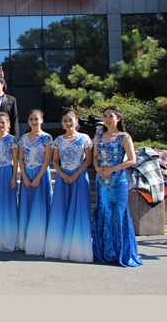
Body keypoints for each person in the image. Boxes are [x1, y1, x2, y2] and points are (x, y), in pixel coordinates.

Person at [92, 106, 143, 267]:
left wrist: (112, 169)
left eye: (111, 116)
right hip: (102, 180)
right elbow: (95, 157)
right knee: (103, 212)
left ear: (118, 118)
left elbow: (132, 160)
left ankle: (122, 252)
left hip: (118, 180)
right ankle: (105, 252)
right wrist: (98, 168)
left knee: (119, 213)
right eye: (105, 116)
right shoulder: (99, 136)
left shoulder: (124, 137)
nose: (107, 119)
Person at [44, 109, 93, 263]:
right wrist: (63, 174)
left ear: (76, 121)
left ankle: (78, 248)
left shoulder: (84, 138)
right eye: (65, 120)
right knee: (61, 208)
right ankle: (59, 246)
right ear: (62, 123)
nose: (68, 123)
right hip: (63, 178)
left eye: (70, 120)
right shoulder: (58, 140)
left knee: (78, 209)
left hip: (80, 177)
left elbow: (88, 159)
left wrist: (76, 174)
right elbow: (55, 161)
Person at [17, 109, 53, 255]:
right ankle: (25, 240)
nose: (33, 121)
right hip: (27, 173)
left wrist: (38, 177)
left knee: (40, 205)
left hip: (41, 174)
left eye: (36, 118)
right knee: (26, 206)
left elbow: (47, 159)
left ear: (42, 120)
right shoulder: (23, 138)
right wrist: (24, 177)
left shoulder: (47, 138)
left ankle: (40, 242)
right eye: (31, 118)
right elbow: (21, 159)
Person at [0, 112, 19, 252]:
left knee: (6, 203)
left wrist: (14, 177)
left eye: (3, 122)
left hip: (7, 171)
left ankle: (8, 236)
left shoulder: (12, 139)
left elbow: (15, 160)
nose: (0, 125)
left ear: (9, 124)